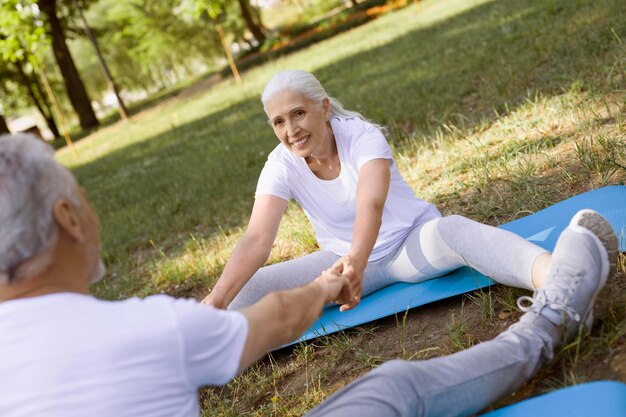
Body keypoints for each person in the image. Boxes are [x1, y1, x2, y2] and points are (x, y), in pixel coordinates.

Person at [0, 133, 618, 417]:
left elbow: (373, 212)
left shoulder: (360, 140)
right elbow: (266, 297)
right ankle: (555, 316)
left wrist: (341, 271)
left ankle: (546, 284)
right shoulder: (144, 332)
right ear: (66, 219)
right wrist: (324, 284)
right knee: (392, 390)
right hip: (343, 270)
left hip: (399, 249)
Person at [202, 70, 553, 312]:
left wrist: (356, 263)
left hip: (408, 245)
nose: (291, 129)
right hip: (341, 262)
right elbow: (256, 240)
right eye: (278, 121)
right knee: (246, 288)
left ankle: (558, 277)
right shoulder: (280, 164)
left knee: (455, 230)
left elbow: (371, 204)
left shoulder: (362, 136)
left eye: (298, 114)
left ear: (322, 108)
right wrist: (217, 300)